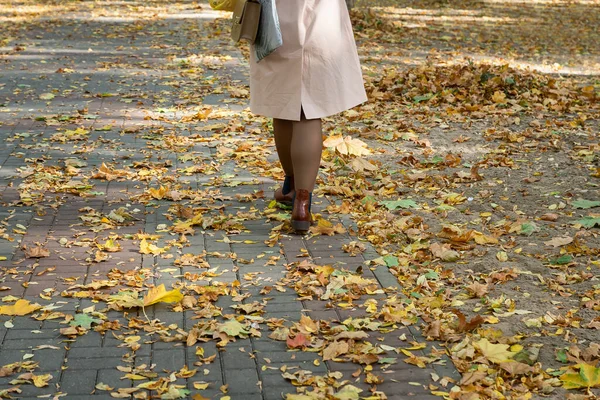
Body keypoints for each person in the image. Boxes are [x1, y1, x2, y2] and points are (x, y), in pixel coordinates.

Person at [249, 0, 367, 233]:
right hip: (321, 15)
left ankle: (291, 185)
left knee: (282, 102)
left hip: (275, 17)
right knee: (308, 109)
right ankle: (302, 203)